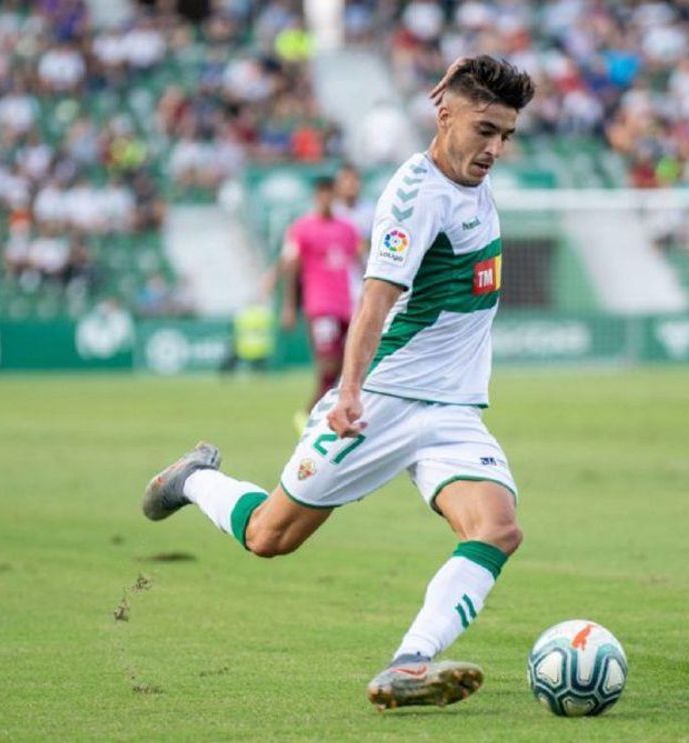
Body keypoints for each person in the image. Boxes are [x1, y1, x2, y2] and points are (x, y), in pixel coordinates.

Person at [141, 55, 535, 711]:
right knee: (270, 535)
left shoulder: (469, 176)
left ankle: (410, 662)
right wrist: (349, 390)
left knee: (497, 528)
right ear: (445, 115)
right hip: (383, 401)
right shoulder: (416, 195)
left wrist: (465, 67)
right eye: (485, 129)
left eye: (506, 135)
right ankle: (192, 478)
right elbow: (375, 299)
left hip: (454, 412)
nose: (494, 148)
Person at [278, 176, 361, 421]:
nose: (326, 199)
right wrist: (290, 306)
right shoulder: (302, 228)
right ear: (316, 197)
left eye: (329, 194)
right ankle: (308, 416)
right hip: (320, 306)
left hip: (346, 306)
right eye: (321, 194)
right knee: (328, 364)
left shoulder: (347, 229)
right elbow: (292, 267)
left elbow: (361, 261)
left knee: (348, 368)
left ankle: (324, 417)